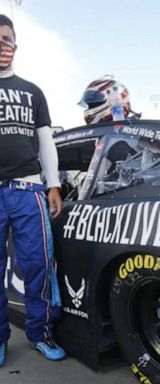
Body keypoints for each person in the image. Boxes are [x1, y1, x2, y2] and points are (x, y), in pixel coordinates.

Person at [0, 14, 66, 366]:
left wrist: (52, 184)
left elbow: (46, 142)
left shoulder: (32, 90)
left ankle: (40, 333)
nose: (1, 45)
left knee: (38, 265)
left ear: (15, 45)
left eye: (6, 39)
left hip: (28, 190)